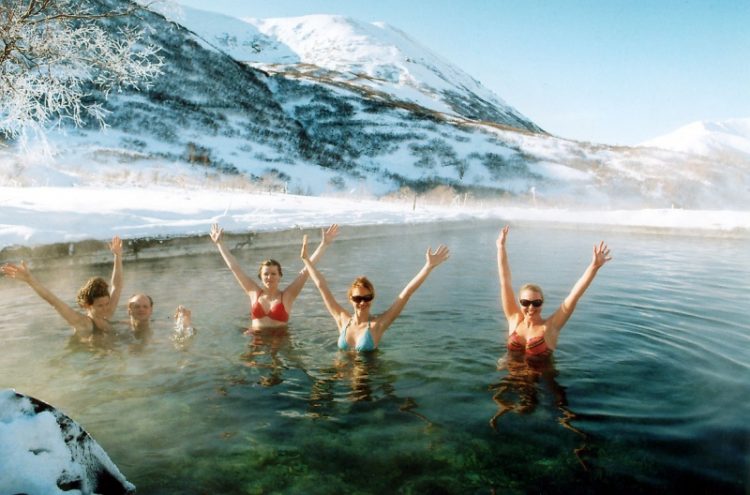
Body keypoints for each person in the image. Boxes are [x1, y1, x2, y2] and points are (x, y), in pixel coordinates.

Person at [299, 234, 450, 352]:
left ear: (372, 298)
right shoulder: (342, 320)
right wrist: (306, 260)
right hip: (340, 374)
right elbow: (321, 286)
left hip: (365, 379)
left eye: (367, 297)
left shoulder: (378, 324)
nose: (363, 302)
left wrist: (428, 267)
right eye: (358, 298)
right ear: (350, 299)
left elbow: (406, 293)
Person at [496, 225, 612, 357]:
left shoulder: (550, 327)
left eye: (536, 303)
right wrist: (501, 247)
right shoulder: (514, 319)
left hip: (541, 377)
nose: (531, 307)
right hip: (511, 377)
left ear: (542, 303)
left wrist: (594, 267)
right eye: (525, 302)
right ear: (520, 303)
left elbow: (574, 295)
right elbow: (505, 282)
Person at [210, 223, 339, 330]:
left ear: (279, 276)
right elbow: (235, 269)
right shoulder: (254, 293)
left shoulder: (287, 296)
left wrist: (324, 244)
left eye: (273, 274)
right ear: (260, 276)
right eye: (266, 274)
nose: (269, 277)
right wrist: (220, 244)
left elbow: (306, 272)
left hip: (279, 342)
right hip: (256, 341)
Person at [1, 236, 123, 341]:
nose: (105, 308)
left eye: (106, 303)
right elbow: (53, 301)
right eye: (100, 306)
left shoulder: (108, 313)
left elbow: (117, 286)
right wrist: (30, 280)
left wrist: (117, 256)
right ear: (88, 305)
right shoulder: (83, 323)